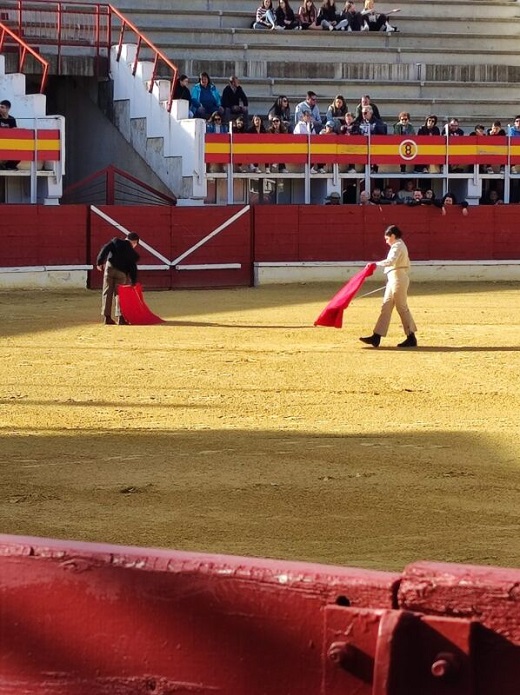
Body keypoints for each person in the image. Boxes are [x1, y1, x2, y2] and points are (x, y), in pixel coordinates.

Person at [360, 224, 417, 348]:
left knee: (402, 307)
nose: (386, 242)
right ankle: (376, 336)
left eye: (387, 239)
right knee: (386, 306)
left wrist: (376, 264)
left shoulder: (397, 246)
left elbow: (391, 261)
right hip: (394, 278)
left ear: (393, 235)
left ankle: (411, 337)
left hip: (398, 278)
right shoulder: (399, 245)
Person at [96, 233, 140, 325]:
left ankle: (106, 317)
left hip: (110, 268)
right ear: (134, 242)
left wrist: (100, 262)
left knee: (107, 292)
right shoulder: (133, 254)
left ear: (126, 238)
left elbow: (105, 249)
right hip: (121, 273)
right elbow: (132, 267)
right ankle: (120, 317)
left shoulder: (116, 241)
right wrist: (133, 281)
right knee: (120, 294)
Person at [0, 99, 19, 170]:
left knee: (18, 153)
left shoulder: (12, 119)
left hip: (9, 142)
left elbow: (15, 131)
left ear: (8, 109)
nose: (0, 109)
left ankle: (8, 166)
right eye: (0, 107)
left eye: (2, 107)